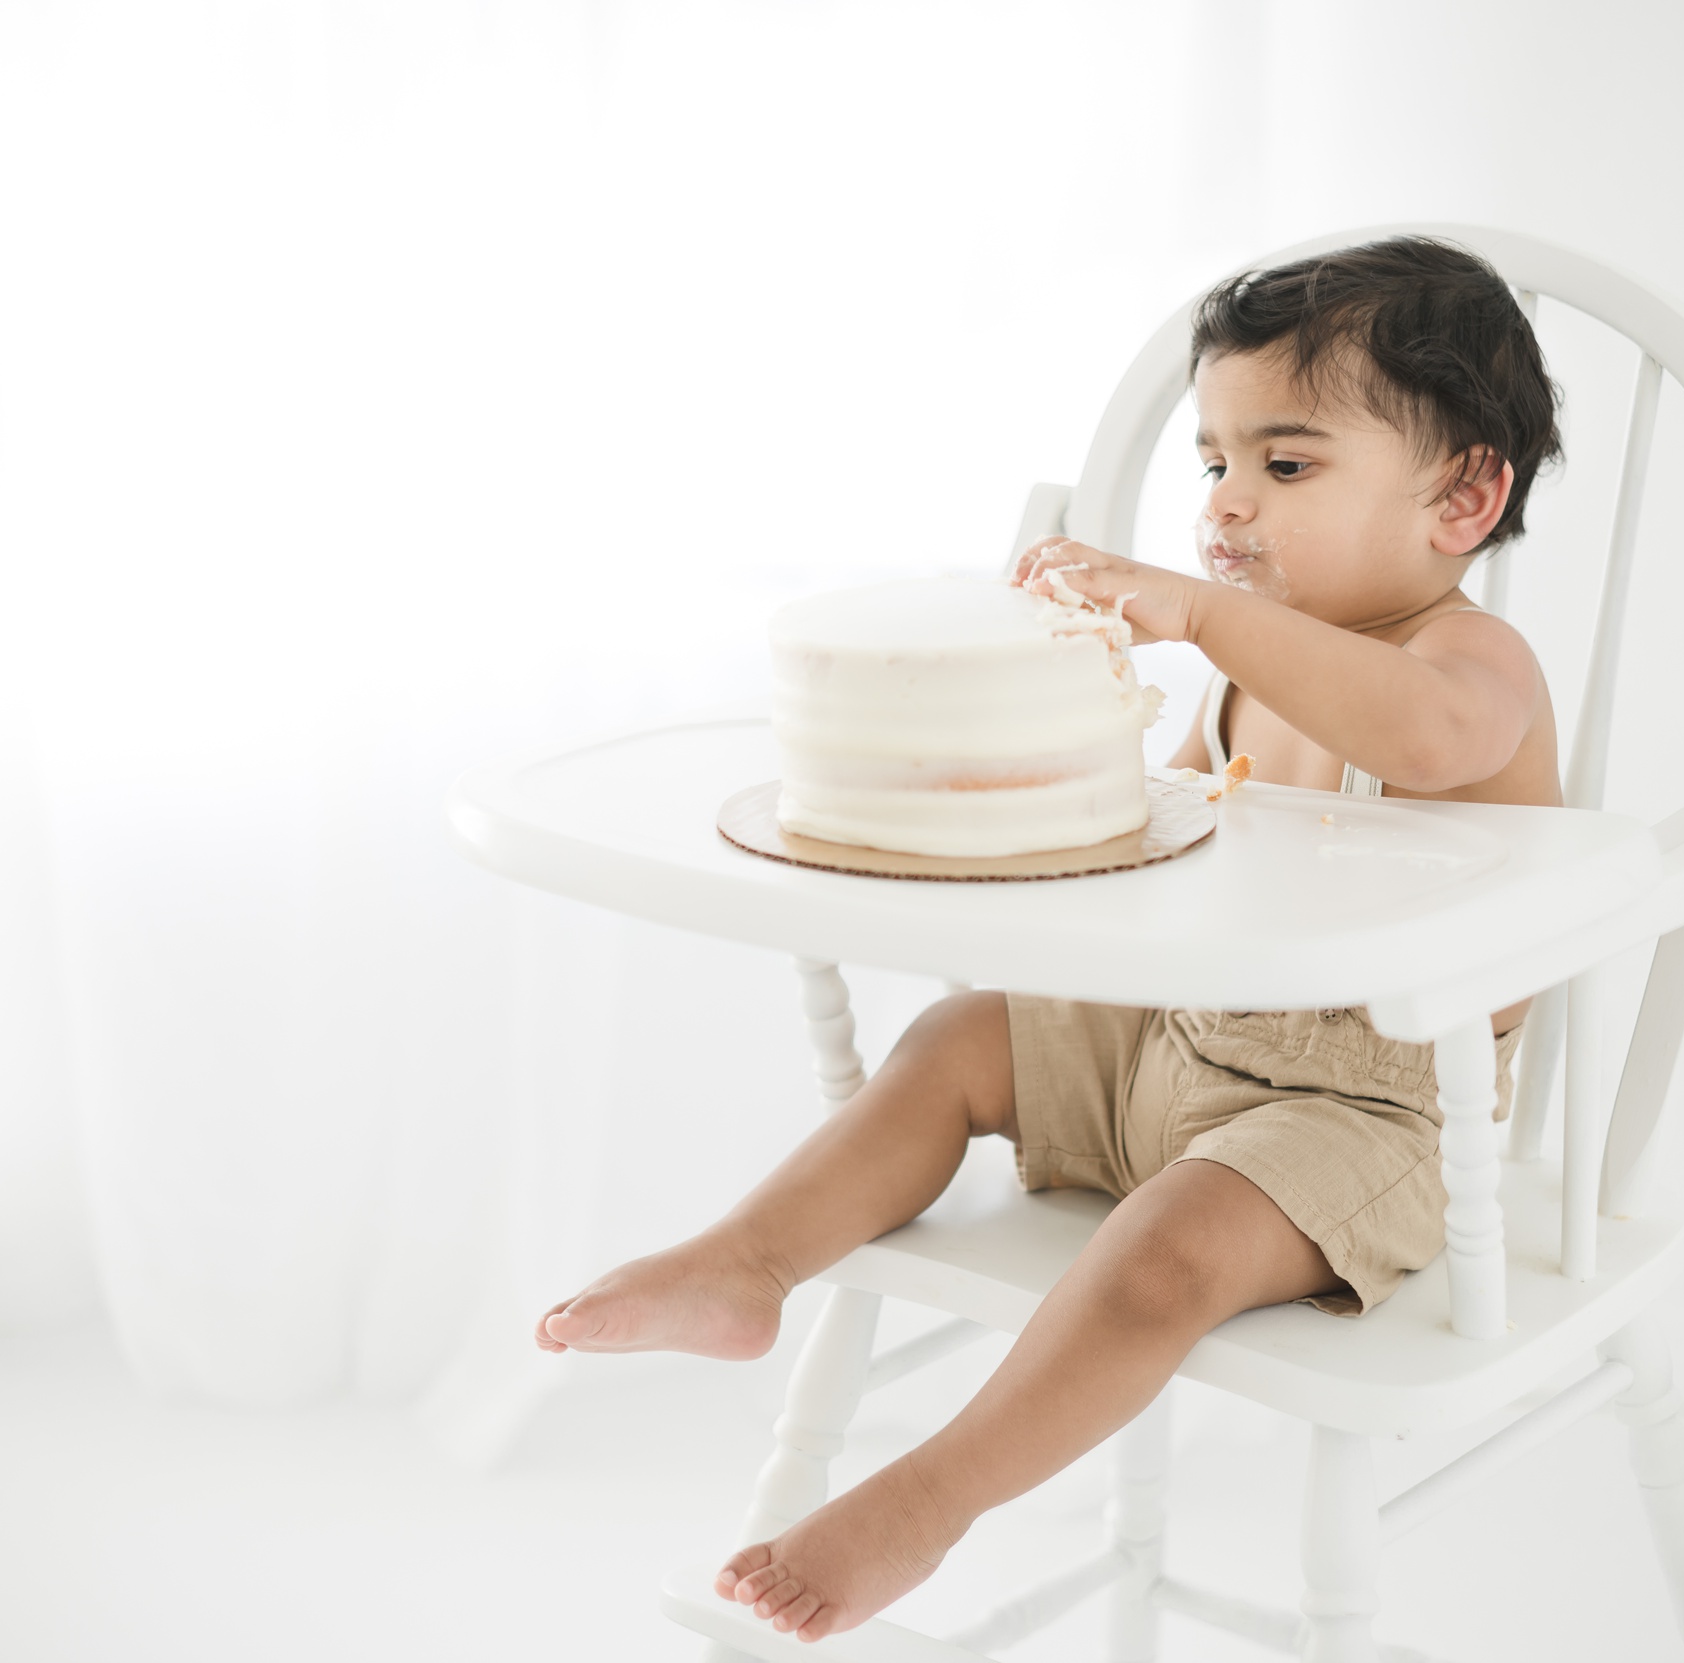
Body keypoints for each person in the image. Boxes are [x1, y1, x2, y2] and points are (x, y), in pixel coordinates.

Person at [536, 235, 1565, 1642]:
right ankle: (748, 1263)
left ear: (1465, 491)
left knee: (1165, 1251)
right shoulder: (1244, 676)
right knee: (960, 1038)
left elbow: (1426, 739)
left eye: (1288, 464)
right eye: (1213, 466)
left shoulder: (1469, 667)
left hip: (1369, 1116)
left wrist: (1200, 612)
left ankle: (929, 1499)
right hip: (1187, 1041)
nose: (1229, 508)